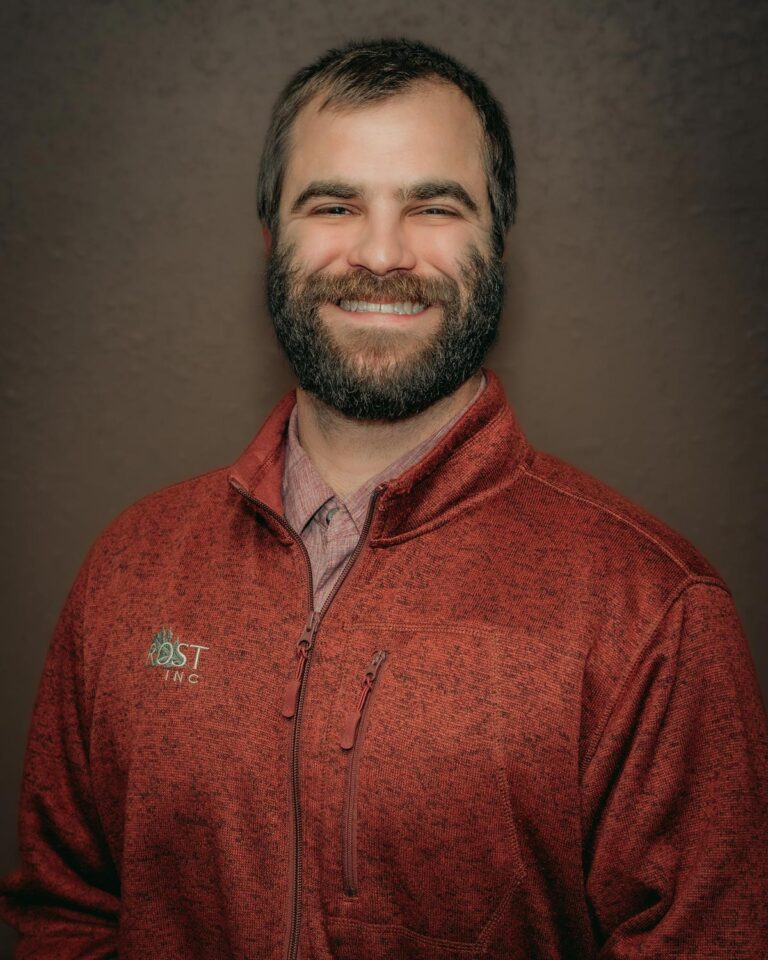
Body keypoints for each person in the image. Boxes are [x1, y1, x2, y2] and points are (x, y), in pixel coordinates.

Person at [1, 36, 766, 960]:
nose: (380, 251)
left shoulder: (655, 610)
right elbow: (65, 910)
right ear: (271, 240)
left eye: (435, 206)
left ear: (496, 245)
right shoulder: (131, 565)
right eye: (333, 204)